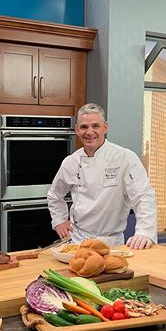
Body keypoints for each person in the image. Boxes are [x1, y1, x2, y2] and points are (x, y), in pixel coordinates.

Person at [47, 103, 157, 249]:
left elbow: (143, 196)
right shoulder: (71, 162)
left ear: (105, 127)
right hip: (78, 242)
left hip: (111, 244)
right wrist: (59, 221)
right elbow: (55, 195)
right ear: (77, 130)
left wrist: (145, 232)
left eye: (95, 126)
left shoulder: (125, 158)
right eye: (84, 127)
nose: (89, 132)